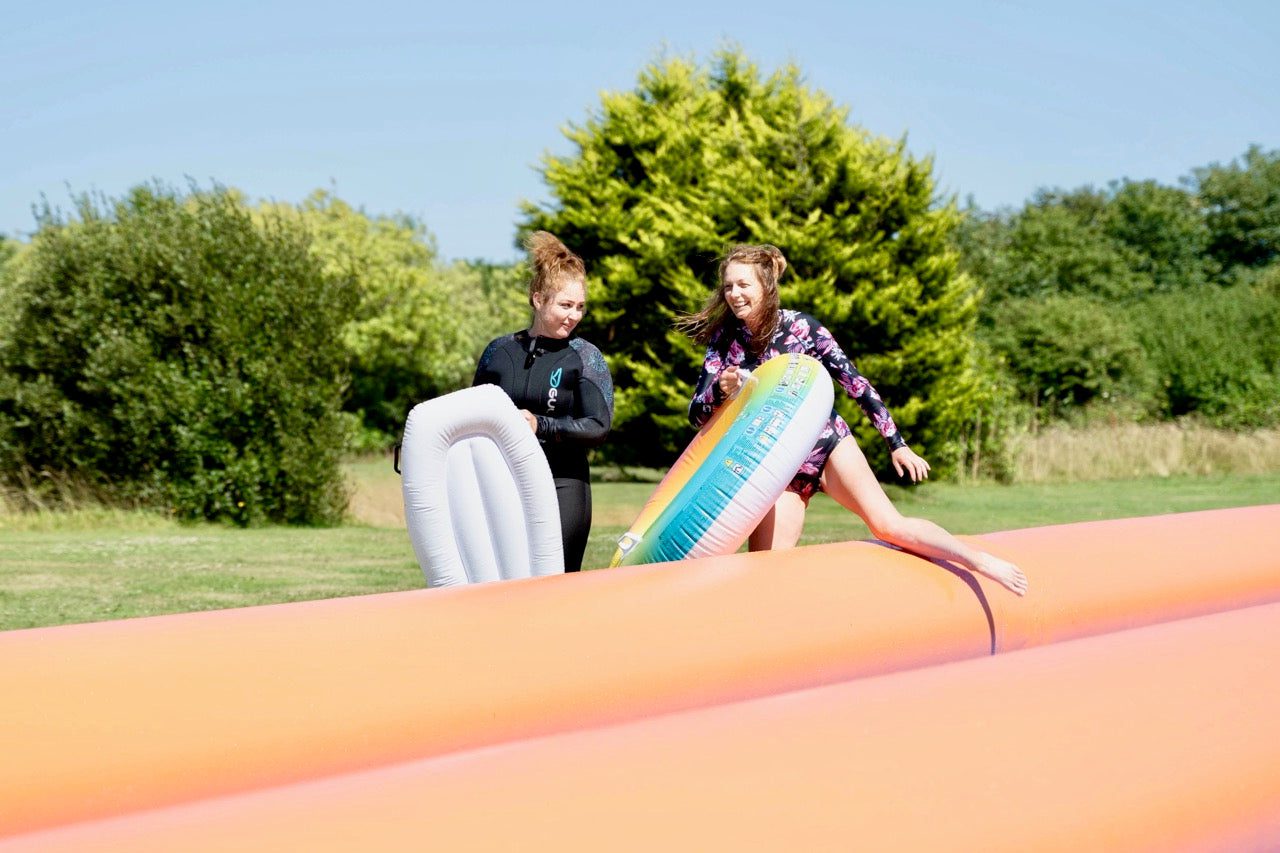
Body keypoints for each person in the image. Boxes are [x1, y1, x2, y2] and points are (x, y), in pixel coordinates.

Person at [679, 244, 1027, 596]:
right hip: (778, 467)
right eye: (728, 287)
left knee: (889, 525)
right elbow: (697, 413)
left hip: (825, 445)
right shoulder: (724, 342)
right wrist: (721, 390)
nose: (735, 294)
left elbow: (855, 384)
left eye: (744, 285)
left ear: (766, 286)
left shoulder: (803, 329)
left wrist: (896, 443)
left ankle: (980, 561)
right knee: (764, 573)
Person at [472, 231, 613, 573]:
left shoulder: (584, 356)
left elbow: (598, 426)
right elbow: (473, 415)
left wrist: (541, 424)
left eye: (580, 307)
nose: (574, 315)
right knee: (506, 580)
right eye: (565, 305)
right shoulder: (499, 352)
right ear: (538, 299)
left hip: (563, 483)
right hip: (505, 482)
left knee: (556, 583)